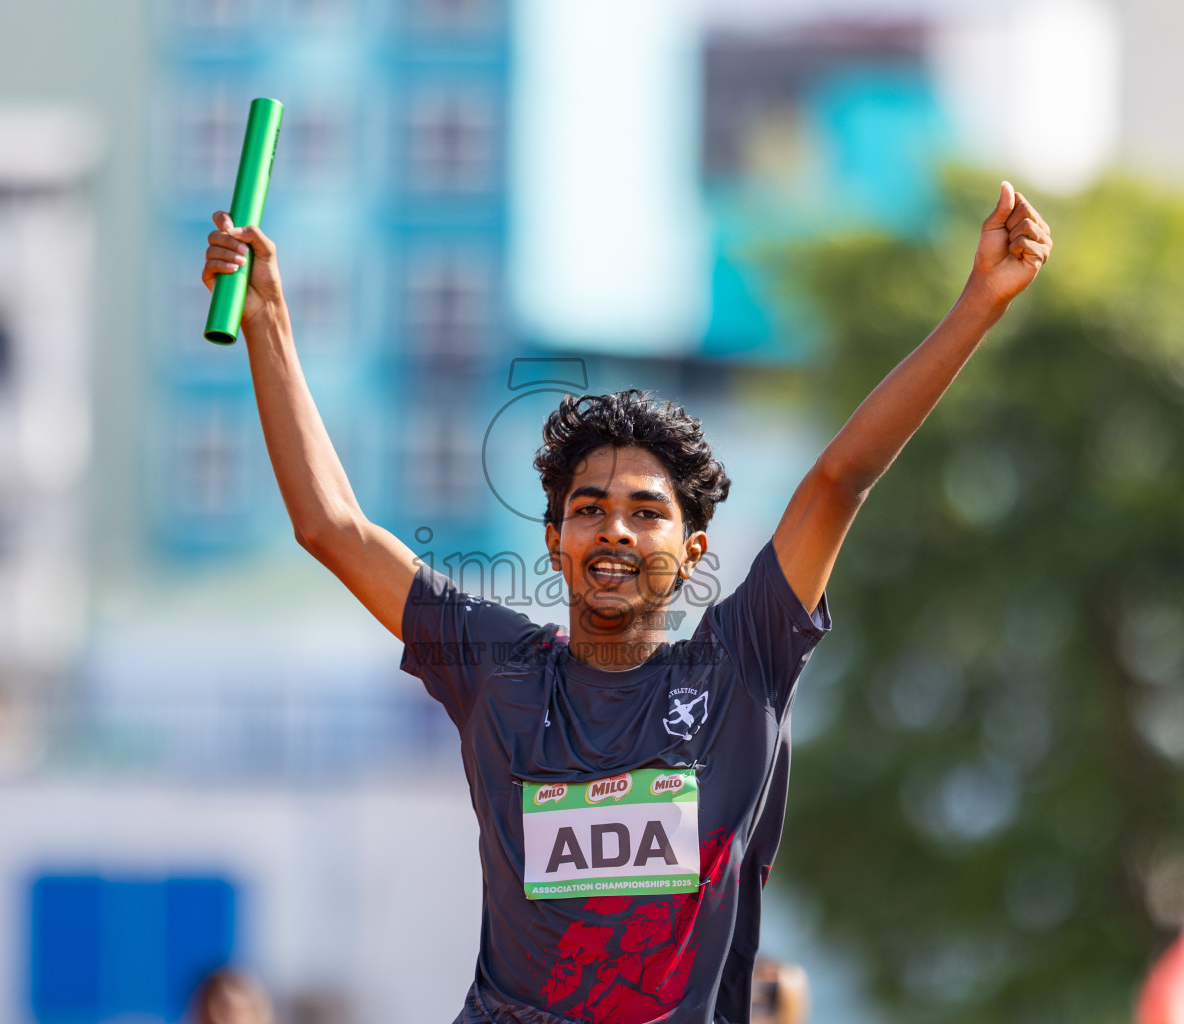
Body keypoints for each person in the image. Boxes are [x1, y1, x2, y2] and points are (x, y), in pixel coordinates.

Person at [199, 180, 1052, 1023]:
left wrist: (978, 303)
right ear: (553, 543)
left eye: (647, 514)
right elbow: (333, 528)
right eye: (588, 510)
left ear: (692, 553)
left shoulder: (741, 665)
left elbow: (840, 479)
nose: (614, 531)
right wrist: (268, 318)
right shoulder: (497, 668)